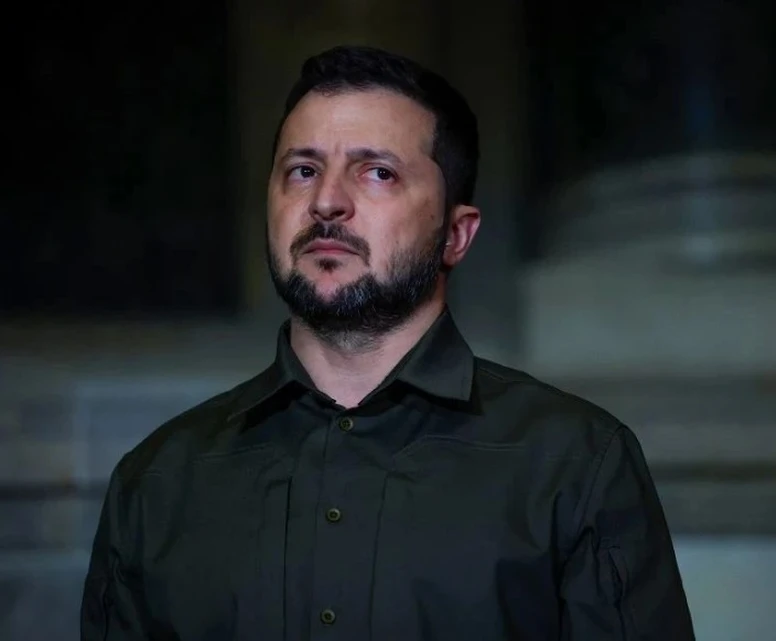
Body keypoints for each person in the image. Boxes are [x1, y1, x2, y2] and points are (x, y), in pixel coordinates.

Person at [80, 45, 695, 640]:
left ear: (456, 235)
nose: (326, 202)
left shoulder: (575, 462)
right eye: (303, 171)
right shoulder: (156, 482)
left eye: (378, 173)